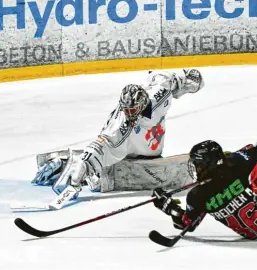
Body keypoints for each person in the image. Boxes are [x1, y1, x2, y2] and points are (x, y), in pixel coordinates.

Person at [31, 69, 205, 209]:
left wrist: (188, 80)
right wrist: (82, 168)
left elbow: (164, 77)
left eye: (133, 110)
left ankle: (74, 163)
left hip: (151, 148)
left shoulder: (158, 94)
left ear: (143, 103)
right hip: (132, 152)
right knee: (107, 177)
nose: (129, 114)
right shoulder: (118, 127)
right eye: (126, 110)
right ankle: (70, 163)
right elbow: (99, 145)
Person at [152, 140, 257, 240]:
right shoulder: (239, 165)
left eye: (198, 165)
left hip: (256, 236)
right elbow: (253, 152)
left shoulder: (197, 196)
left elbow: (186, 224)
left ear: (210, 165)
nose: (196, 169)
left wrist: (170, 208)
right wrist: (231, 157)